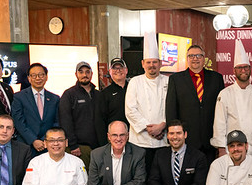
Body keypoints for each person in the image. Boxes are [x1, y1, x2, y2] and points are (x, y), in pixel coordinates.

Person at [165, 44, 224, 160]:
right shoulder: (176, 79)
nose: (195, 59)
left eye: (198, 56)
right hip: (186, 140)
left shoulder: (216, 78)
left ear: (204, 58)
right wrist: (173, 135)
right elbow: (171, 109)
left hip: (211, 139)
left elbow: (222, 109)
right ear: (187, 59)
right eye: (191, 56)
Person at [211, 40, 252, 158]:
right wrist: (221, 149)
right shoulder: (225, 94)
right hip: (232, 150)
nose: (243, 70)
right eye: (239, 68)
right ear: (234, 71)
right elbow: (219, 123)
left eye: (246, 67)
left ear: (250, 69)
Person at [125, 34, 169, 170]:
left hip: (163, 140)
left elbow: (173, 107)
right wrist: (149, 128)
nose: (152, 65)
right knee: (142, 175)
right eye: (148, 62)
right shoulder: (135, 82)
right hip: (140, 141)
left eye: (154, 62)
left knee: (162, 175)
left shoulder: (169, 81)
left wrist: (162, 126)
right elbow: (130, 110)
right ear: (143, 64)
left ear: (160, 63)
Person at [11, 63, 60, 155]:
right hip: (26, 145)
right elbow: (18, 121)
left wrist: (45, 139)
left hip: (48, 145)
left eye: (41, 75)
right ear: (29, 78)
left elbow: (57, 122)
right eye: (34, 75)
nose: (38, 78)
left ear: (46, 77)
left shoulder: (55, 98)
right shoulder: (19, 97)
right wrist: (33, 140)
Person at [59, 61, 99, 168]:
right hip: (79, 148)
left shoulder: (98, 94)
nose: (84, 75)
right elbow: (65, 120)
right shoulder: (69, 94)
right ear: (76, 74)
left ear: (92, 74)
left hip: (98, 147)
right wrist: (73, 145)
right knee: (81, 176)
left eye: (87, 72)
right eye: (81, 72)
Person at [94, 57, 129, 146]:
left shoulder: (134, 89)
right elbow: (100, 120)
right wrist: (103, 143)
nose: (118, 70)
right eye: (114, 68)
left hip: (135, 138)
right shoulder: (104, 94)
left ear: (126, 70)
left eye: (120, 68)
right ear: (110, 72)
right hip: (115, 140)